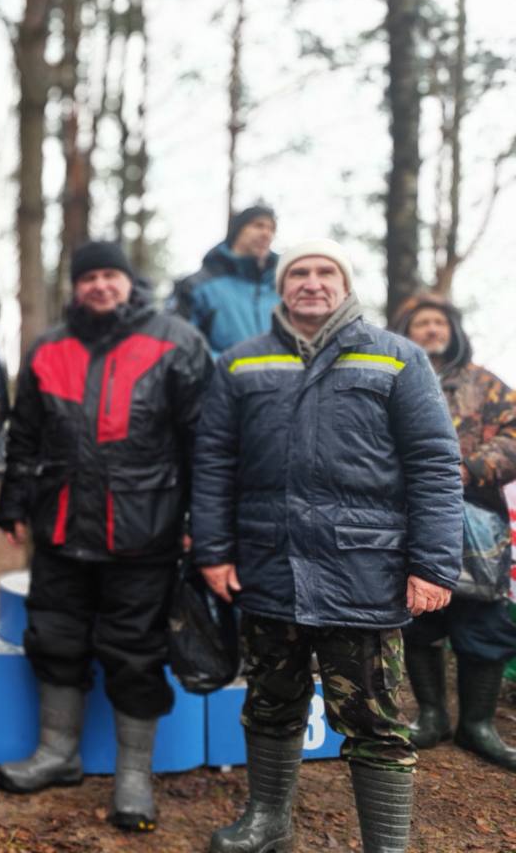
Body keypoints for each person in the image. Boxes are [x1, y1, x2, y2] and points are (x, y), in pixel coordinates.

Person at [192, 239, 463, 853]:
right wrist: (213, 551)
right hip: (268, 568)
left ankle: (385, 846)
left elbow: (434, 464)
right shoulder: (239, 362)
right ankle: (268, 822)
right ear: (281, 288)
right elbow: (213, 463)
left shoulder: (398, 359)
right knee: (269, 703)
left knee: (375, 724)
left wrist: (433, 564)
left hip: (365, 571)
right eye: (299, 273)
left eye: (325, 271)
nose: (312, 282)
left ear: (345, 284)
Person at [0, 241, 211, 832]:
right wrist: (13, 502)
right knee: (54, 639)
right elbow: (25, 436)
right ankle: (56, 753)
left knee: (135, 653)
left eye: (110, 275)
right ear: (77, 286)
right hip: (61, 529)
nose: (99, 286)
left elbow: (206, 446)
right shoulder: (49, 347)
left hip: (146, 534)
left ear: (129, 281)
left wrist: (201, 525)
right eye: (88, 277)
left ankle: (133, 776)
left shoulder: (177, 342)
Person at [391, 293, 516, 771]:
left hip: (479, 524)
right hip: (409, 517)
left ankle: (478, 725)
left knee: (483, 620)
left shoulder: (486, 383)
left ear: (454, 329)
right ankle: (429, 716)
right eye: (420, 322)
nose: (431, 329)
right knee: (419, 617)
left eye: (438, 322)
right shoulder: (394, 376)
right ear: (407, 330)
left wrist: (468, 469)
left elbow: (514, 433)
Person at [170, 204, 279, 354]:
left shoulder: (280, 288)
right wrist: (225, 370)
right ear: (237, 231)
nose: (267, 234)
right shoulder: (196, 286)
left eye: (272, 229)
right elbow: (177, 343)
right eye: (258, 225)